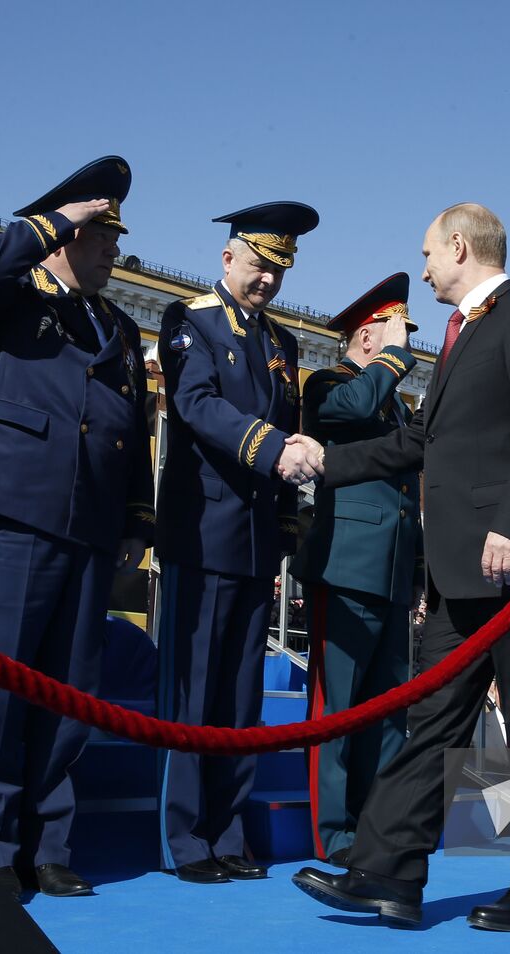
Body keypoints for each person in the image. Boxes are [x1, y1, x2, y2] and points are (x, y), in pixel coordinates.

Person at [292, 202, 510, 933]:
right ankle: (389, 874)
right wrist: (326, 461)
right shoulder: (462, 335)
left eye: (426, 254)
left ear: (460, 246)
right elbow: (419, 439)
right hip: (459, 573)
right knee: (434, 719)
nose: (421, 269)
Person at [0, 157, 153, 899]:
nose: (113, 251)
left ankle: (49, 844)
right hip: (15, 510)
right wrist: (50, 221)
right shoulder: (10, 295)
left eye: (115, 239)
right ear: (64, 235)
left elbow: (133, 424)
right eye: (100, 235)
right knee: (2, 685)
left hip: (92, 525)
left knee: (70, 690)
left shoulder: (122, 328)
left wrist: (136, 515)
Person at [156, 201, 321, 884]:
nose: (268, 283)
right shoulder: (190, 320)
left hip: (254, 541)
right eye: (259, 267)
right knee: (194, 697)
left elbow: (290, 422)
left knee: (238, 699)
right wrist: (272, 446)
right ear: (229, 259)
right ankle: (187, 841)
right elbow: (197, 406)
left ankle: (226, 834)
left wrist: (285, 520)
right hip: (202, 532)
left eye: (278, 272)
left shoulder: (281, 344)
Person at [290, 272, 421, 866]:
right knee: (337, 709)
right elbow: (351, 409)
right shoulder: (327, 385)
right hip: (344, 566)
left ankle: (379, 824)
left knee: (387, 709)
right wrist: (392, 359)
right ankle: (335, 834)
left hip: (392, 572)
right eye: (397, 331)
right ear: (369, 336)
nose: (407, 343)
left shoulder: (393, 402)